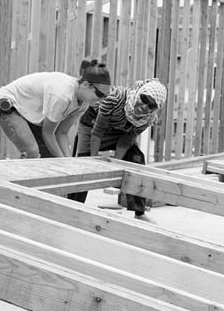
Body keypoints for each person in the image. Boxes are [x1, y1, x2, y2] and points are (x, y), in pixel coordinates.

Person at [70, 78, 168, 217]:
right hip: (92, 124)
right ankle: (73, 207)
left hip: (120, 131)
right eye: (144, 99)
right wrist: (93, 161)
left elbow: (125, 141)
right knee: (83, 164)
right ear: (139, 93)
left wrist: (115, 165)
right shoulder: (114, 98)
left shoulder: (147, 119)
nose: (145, 106)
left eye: (151, 105)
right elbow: (97, 132)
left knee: (136, 158)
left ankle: (139, 213)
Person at [0, 60, 111, 159]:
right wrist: (63, 162)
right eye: (99, 94)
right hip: (9, 104)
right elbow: (48, 133)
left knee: (49, 156)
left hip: (28, 112)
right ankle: (14, 185)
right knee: (31, 152)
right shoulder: (62, 95)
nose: (100, 101)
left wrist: (69, 162)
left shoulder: (84, 103)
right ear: (85, 84)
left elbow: (61, 133)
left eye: (104, 96)